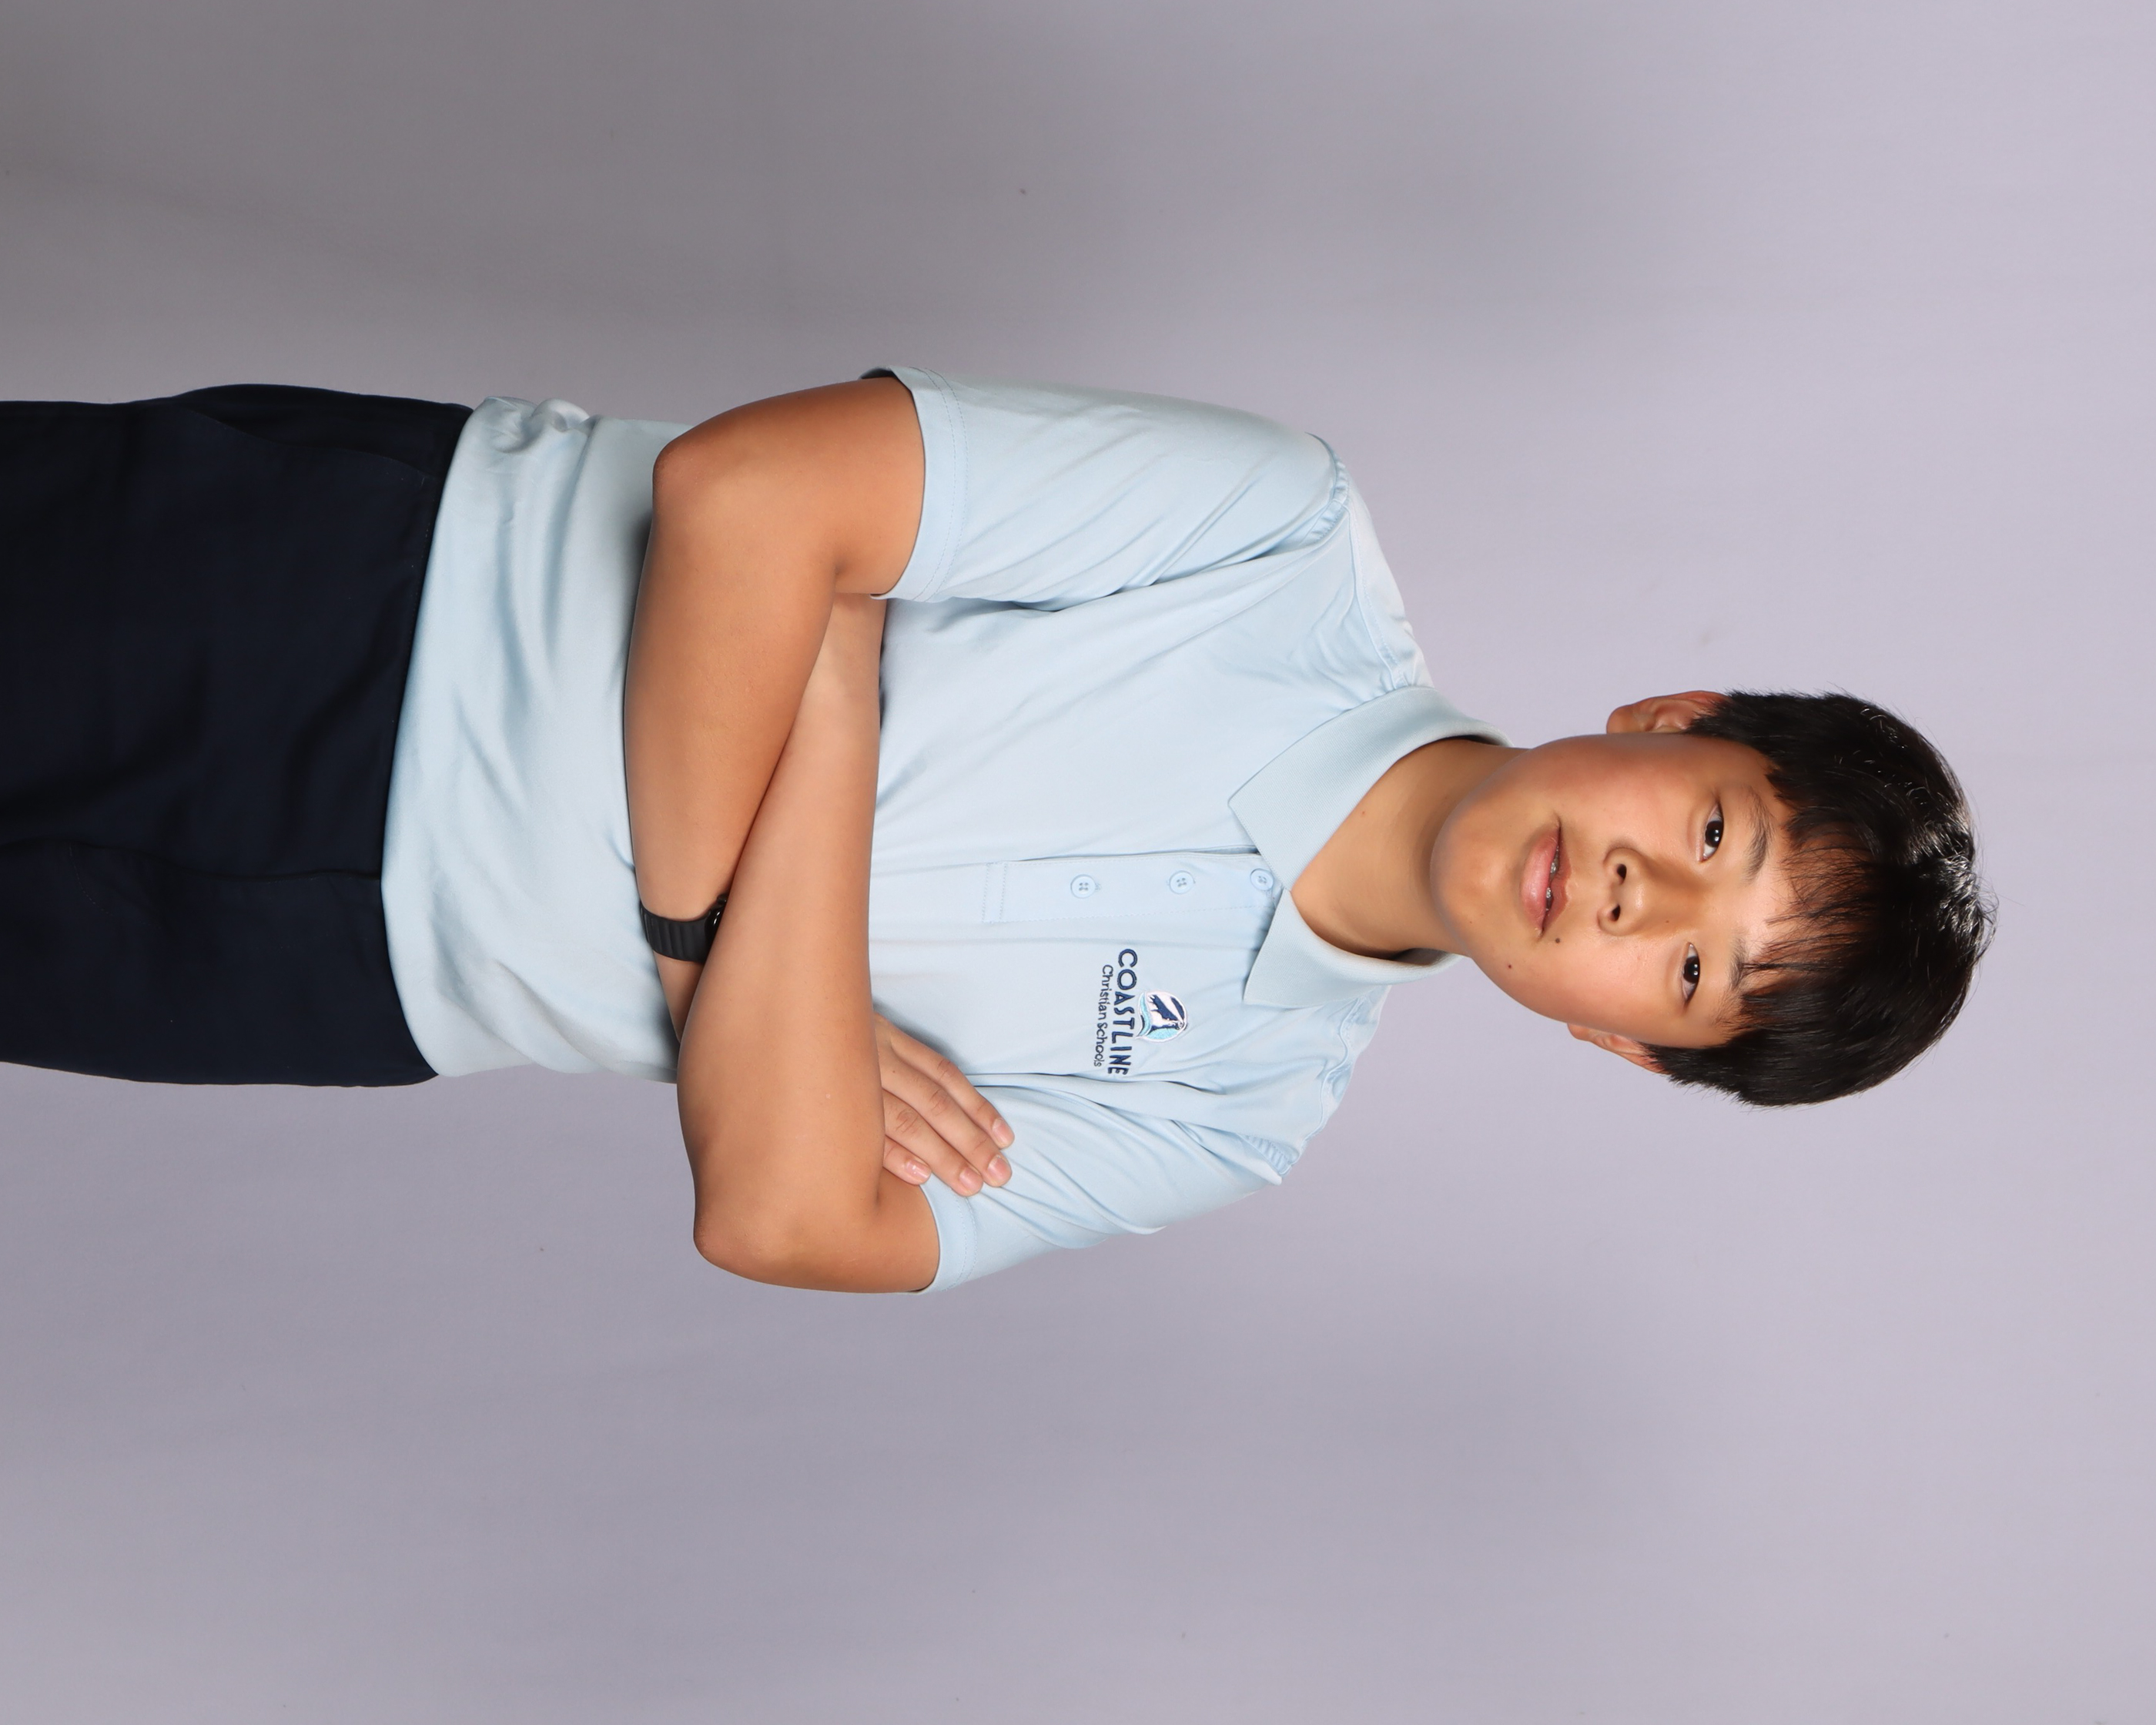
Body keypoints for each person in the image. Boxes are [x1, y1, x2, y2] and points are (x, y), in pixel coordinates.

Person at [0, 373, 1994, 1294]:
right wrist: (742, 1001)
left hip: (345, 975)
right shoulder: (1278, 538)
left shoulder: (1237, 1112)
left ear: (1626, 1048)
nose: (1644, 897)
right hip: (352, 591)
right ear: (1668, 720)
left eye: (1692, 972)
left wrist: (836, 690)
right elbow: (743, 496)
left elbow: (781, 1221)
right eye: (1712, 825)